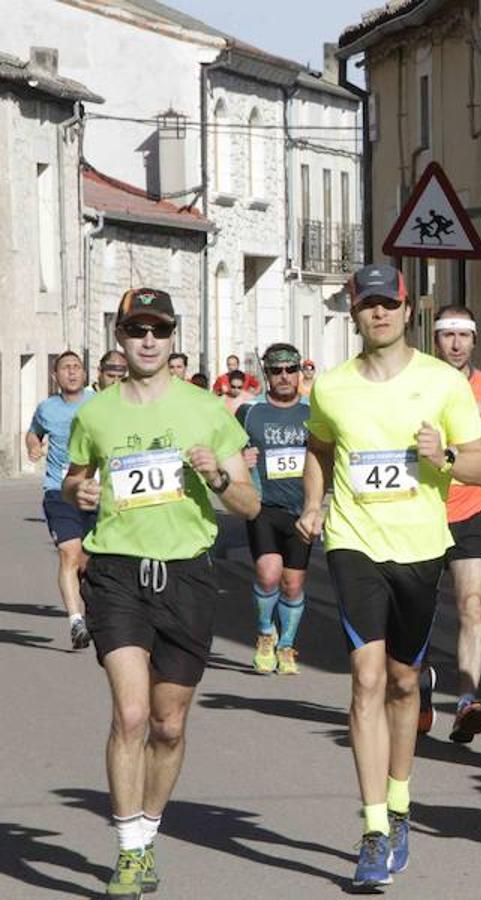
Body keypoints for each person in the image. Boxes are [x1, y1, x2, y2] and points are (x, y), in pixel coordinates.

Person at [296, 263, 481, 889]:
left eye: (388, 304)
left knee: (406, 685)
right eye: (366, 305)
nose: (378, 314)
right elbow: (320, 447)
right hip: (353, 543)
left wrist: (450, 456)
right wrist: (311, 502)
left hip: (422, 545)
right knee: (367, 677)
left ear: (409, 311)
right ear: (352, 314)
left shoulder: (442, 383)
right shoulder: (331, 388)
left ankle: (401, 802)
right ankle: (374, 826)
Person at [62, 287, 259, 897]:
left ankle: (147, 831)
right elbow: (73, 479)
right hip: (118, 573)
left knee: (168, 726)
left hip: (187, 576)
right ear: (119, 338)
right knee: (130, 713)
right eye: (137, 329)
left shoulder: (207, 410)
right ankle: (127, 853)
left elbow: (248, 503)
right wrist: (79, 495)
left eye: (159, 330)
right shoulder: (95, 413)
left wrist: (219, 475)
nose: (148, 340)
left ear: (175, 339)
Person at [418, 305, 481, 742]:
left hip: (473, 507)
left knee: (472, 604)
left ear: (475, 340)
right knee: (417, 612)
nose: (456, 344)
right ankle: (419, 688)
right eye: (447, 335)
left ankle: (466, 701)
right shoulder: (417, 383)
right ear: (434, 339)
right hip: (422, 508)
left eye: (463, 335)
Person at [238, 343, 313, 675]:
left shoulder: (313, 413)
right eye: (276, 371)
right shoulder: (249, 412)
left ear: (299, 373)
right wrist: (241, 462)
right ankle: (266, 634)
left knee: (293, 584)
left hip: (302, 510)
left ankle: (287, 646)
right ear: (266, 375)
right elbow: (228, 450)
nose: (284, 377)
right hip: (263, 506)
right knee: (268, 575)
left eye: (290, 370)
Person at [26, 351, 95, 648]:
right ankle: (76, 622)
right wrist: (33, 447)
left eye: (77, 367)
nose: (72, 372)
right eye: (66, 368)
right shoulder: (47, 409)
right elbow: (34, 433)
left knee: (87, 562)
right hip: (58, 491)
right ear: (56, 376)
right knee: (69, 553)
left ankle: (93, 608)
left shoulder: (98, 403)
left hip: (95, 491)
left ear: (84, 373)